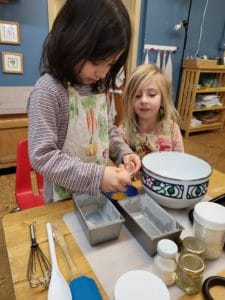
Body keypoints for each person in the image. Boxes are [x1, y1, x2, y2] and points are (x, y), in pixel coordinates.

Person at [27, 0, 141, 203]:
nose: (103, 72)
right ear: (70, 41)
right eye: (97, 62)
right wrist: (97, 176)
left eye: (111, 63)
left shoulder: (99, 88)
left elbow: (107, 132)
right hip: (63, 202)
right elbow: (42, 156)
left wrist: (123, 153)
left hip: (97, 196)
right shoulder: (48, 92)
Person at [119, 63, 184, 160]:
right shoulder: (124, 130)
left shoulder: (172, 129)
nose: (143, 100)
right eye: (137, 95)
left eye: (152, 94)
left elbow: (180, 160)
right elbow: (119, 161)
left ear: (163, 100)